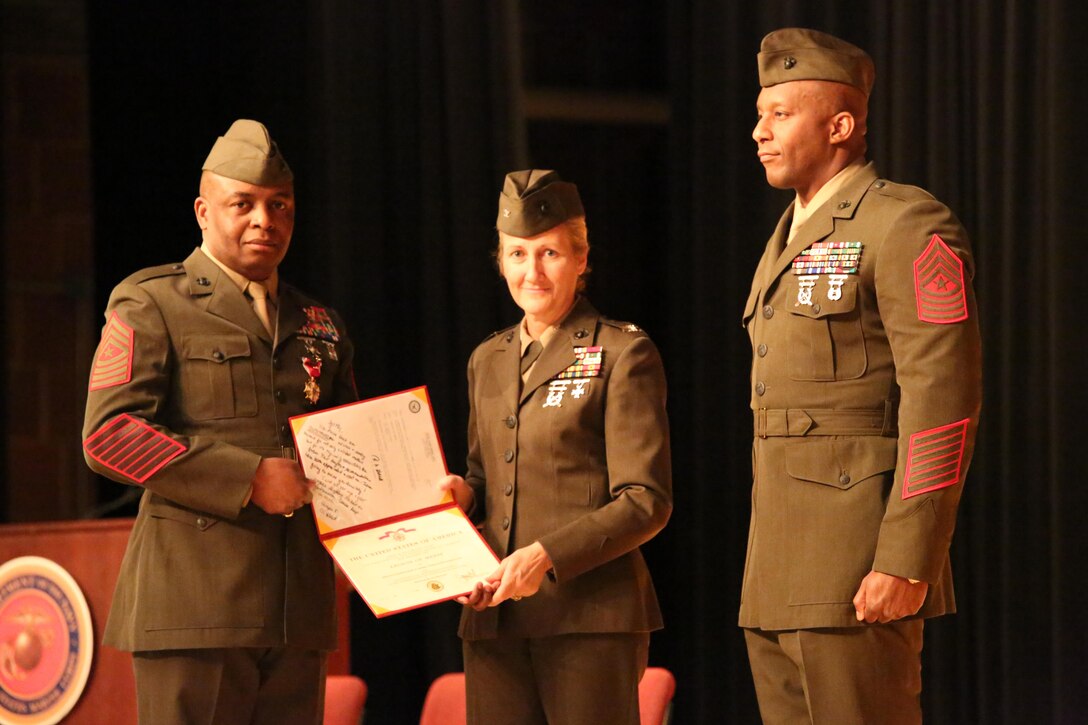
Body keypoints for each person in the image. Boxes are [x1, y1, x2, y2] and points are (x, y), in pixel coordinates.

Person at [739, 27, 983, 723]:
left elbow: (944, 399)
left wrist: (909, 557)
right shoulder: (787, 236)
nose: (759, 131)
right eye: (760, 114)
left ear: (840, 125)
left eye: (780, 114)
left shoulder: (904, 224)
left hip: (857, 563)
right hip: (778, 569)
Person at [82, 119, 357, 724]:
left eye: (279, 205)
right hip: (194, 606)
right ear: (204, 212)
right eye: (245, 204)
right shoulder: (154, 301)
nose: (265, 219)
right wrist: (249, 478)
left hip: (297, 610)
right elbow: (110, 436)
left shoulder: (320, 321)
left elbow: (353, 453)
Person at [437, 170, 673, 725]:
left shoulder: (622, 352)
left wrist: (545, 558)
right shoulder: (486, 359)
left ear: (581, 257)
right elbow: (482, 477)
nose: (531, 271)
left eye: (549, 253)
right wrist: (459, 496)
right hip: (493, 618)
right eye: (516, 255)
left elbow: (646, 500)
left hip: (588, 618)